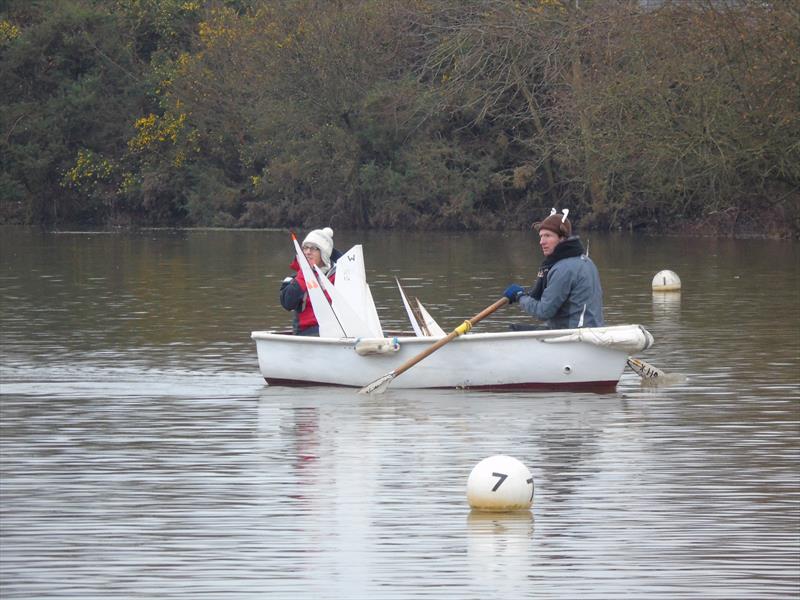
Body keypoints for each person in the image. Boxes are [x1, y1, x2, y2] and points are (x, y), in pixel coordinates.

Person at [502, 209, 604, 329]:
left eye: (548, 236)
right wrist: (525, 296)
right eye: (541, 236)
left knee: (513, 330)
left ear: (562, 238)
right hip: (589, 330)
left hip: (573, 335)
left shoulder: (563, 269)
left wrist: (520, 297)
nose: (541, 242)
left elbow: (543, 312)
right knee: (516, 328)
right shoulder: (587, 261)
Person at [280, 227, 342, 336]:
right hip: (307, 333)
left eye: (313, 248)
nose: (308, 252)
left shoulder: (341, 276)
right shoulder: (294, 279)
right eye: (305, 248)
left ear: (324, 253)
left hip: (338, 331)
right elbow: (287, 303)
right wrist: (304, 273)